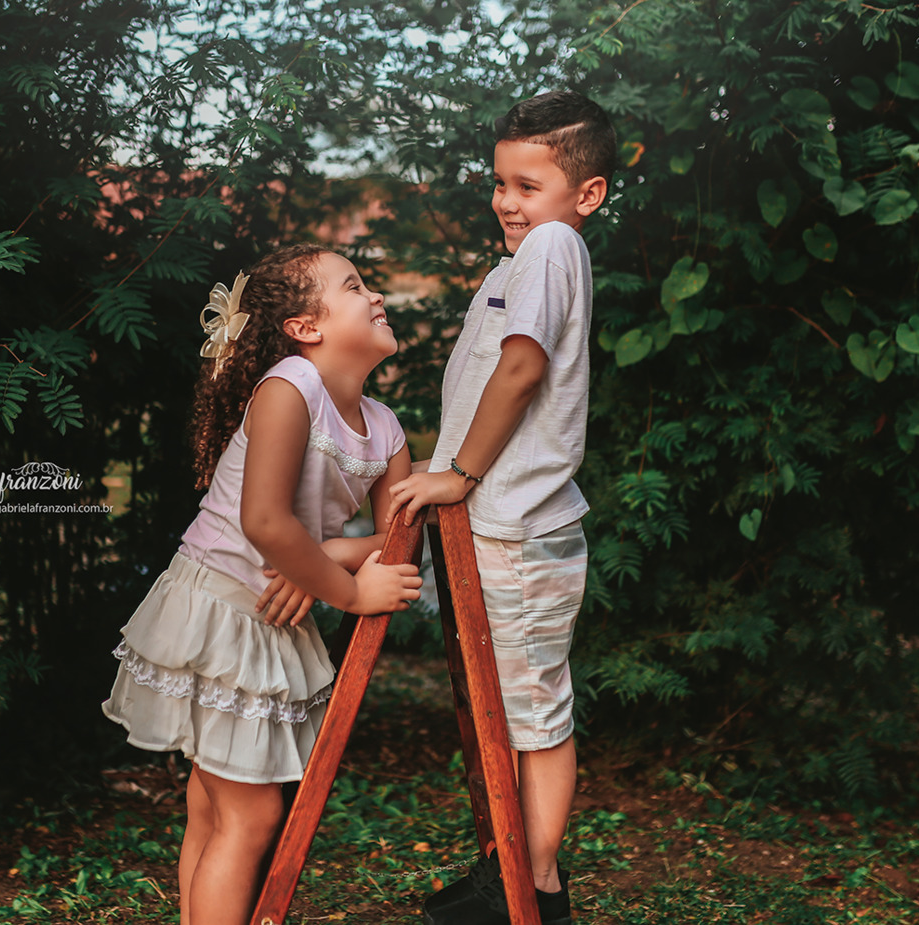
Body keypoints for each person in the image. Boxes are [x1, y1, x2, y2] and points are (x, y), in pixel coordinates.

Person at [103, 243, 424, 925]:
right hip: (218, 604)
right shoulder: (291, 385)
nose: (377, 296)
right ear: (305, 327)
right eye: (355, 284)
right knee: (249, 815)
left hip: (270, 615)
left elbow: (401, 537)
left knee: (215, 807)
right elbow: (265, 522)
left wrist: (323, 555)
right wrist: (349, 587)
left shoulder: (388, 430)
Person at [387, 90, 617, 925]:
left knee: (536, 715)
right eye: (499, 183)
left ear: (585, 195)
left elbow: (520, 369)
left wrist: (460, 472)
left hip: (520, 528)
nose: (507, 202)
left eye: (528, 184)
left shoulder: (554, 246)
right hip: (495, 528)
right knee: (506, 710)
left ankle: (536, 890)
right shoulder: (518, 263)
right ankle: (512, 871)